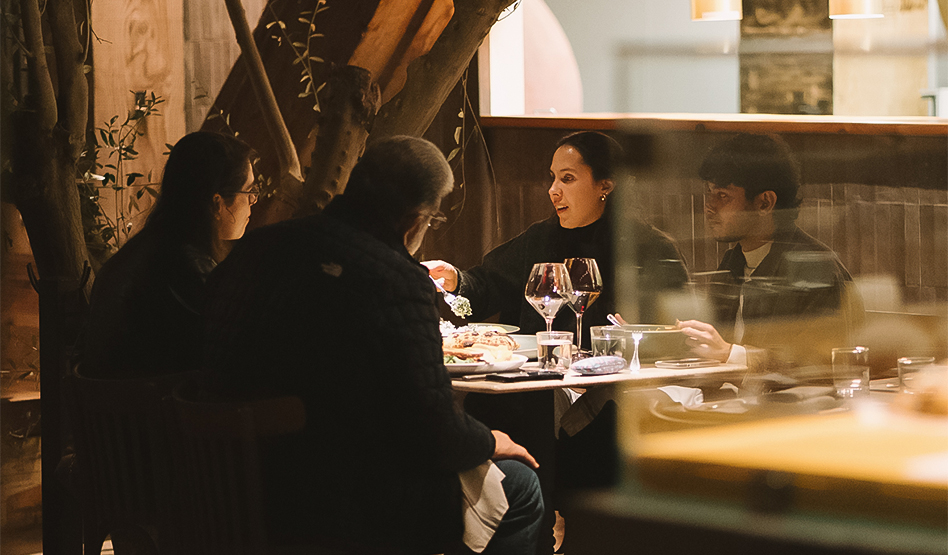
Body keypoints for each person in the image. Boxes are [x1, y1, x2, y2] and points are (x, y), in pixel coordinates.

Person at [203, 136, 545, 554]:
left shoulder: (259, 246)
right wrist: (491, 440)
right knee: (519, 486)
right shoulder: (397, 279)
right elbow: (434, 430)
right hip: (341, 503)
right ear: (415, 220)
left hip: (226, 481)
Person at [424, 131, 688, 349]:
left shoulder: (648, 247)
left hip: (617, 388)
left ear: (605, 186)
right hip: (539, 385)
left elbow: (673, 330)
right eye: (553, 178)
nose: (553, 191)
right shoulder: (541, 238)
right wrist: (456, 280)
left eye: (568, 179)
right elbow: (489, 286)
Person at [677, 132, 863, 372]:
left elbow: (817, 363)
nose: (709, 206)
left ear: (765, 202)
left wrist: (728, 353)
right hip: (734, 402)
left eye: (722, 195)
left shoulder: (814, 268)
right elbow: (713, 350)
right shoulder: (732, 263)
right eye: (709, 192)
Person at [82, 131, 257, 379]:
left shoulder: (148, 250)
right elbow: (231, 353)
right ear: (217, 203)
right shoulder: (185, 269)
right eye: (249, 191)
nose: (253, 201)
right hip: (159, 412)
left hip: (118, 411)